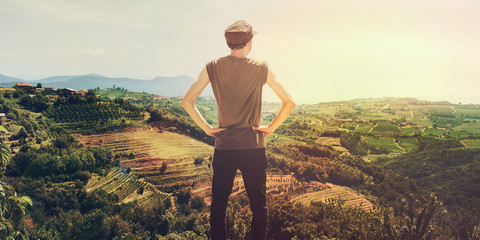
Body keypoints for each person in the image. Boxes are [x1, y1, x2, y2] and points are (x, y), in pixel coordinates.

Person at [182, 20, 295, 240]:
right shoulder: (261, 67)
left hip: (224, 148)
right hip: (253, 148)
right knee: (259, 207)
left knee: (219, 206)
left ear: (228, 43)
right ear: (250, 42)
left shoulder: (212, 66)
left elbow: (187, 102)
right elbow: (289, 102)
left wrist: (207, 128)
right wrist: (270, 128)